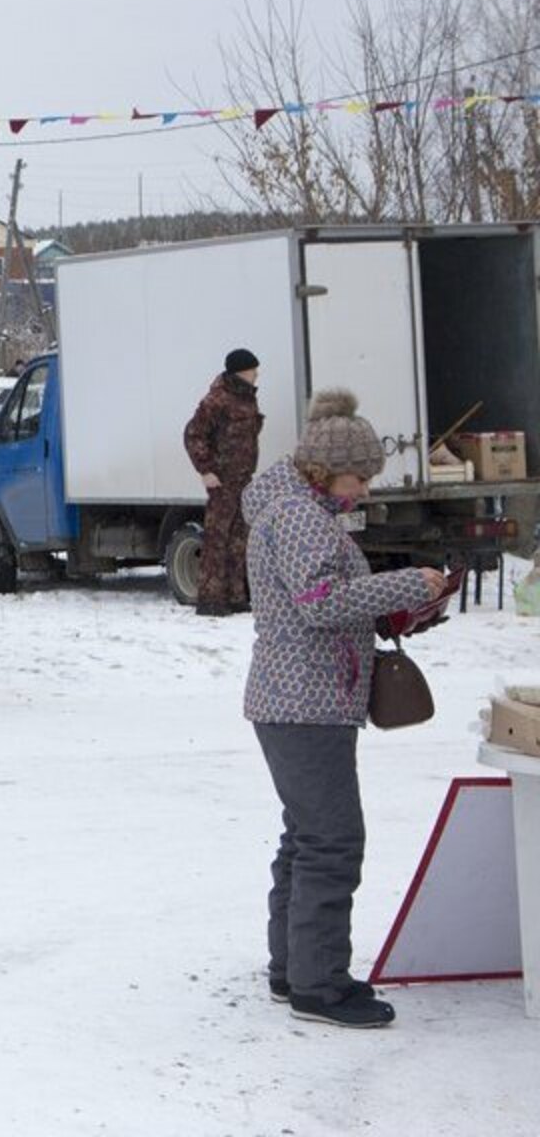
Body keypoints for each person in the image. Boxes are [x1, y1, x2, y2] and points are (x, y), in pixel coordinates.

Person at [242, 390, 444, 1028]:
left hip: (299, 698)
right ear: (325, 471)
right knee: (331, 842)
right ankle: (320, 987)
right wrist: (407, 583)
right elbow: (321, 603)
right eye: (359, 477)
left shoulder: (296, 510)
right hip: (306, 702)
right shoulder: (299, 517)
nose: (364, 490)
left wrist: (399, 609)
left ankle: (294, 970)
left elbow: (323, 599)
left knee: (306, 837)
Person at [184, 348, 265, 617]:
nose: (256, 374)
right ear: (241, 371)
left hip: (243, 479)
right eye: (253, 370)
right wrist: (206, 470)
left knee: (238, 539)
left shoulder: (246, 398)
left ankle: (235, 595)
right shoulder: (217, 399)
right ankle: (211, 599)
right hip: (222, 481)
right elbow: (194, 435)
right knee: (217, 541)